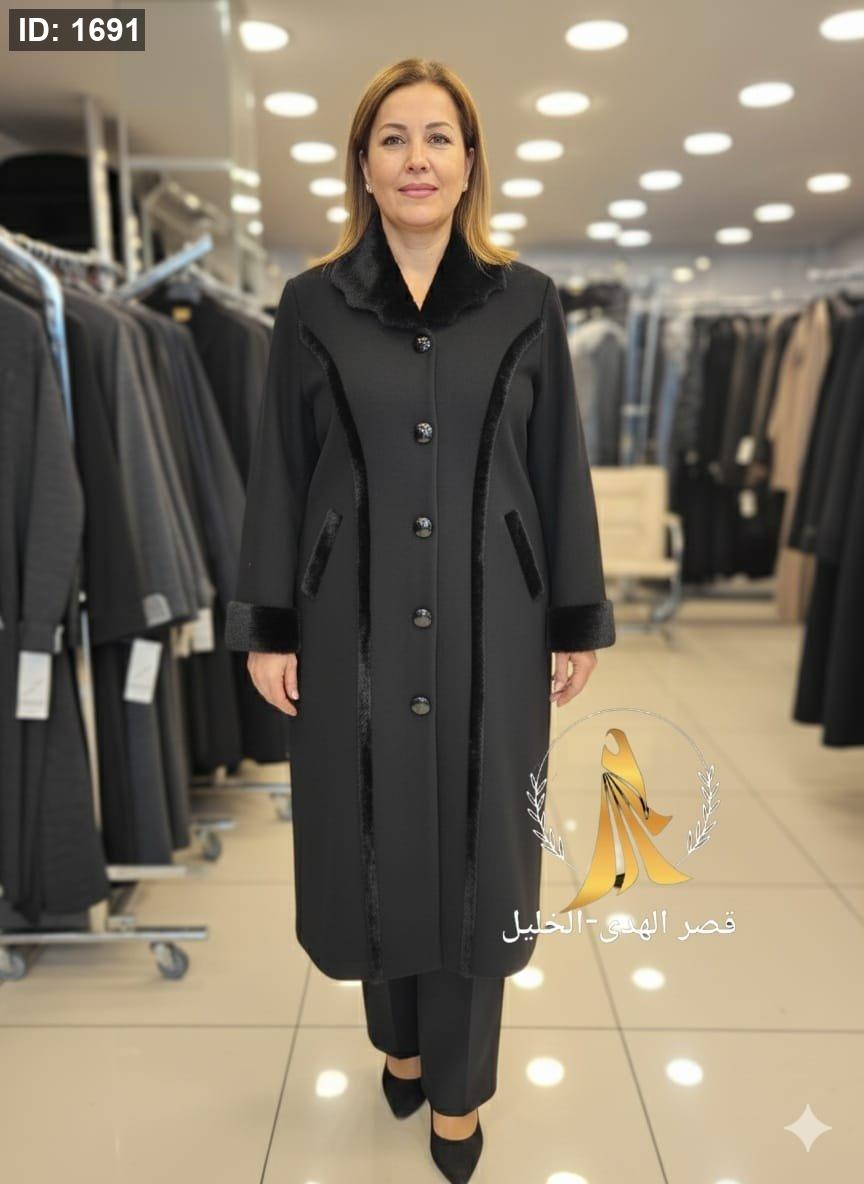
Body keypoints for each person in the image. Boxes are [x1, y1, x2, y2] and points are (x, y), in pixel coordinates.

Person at [225, 56, 616, 1183]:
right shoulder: (311, 304)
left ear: (470, 161)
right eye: (393, 138)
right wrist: (269, 624)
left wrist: (575, 614)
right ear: (362, 164)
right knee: (368, 831)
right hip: (349, 625)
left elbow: (560, 465)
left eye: (439, 137)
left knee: (478, 852)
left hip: (498, 624)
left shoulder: (526, 300)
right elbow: (280, 471)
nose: (417, 159)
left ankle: (458, 1092)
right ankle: (395, 1038)